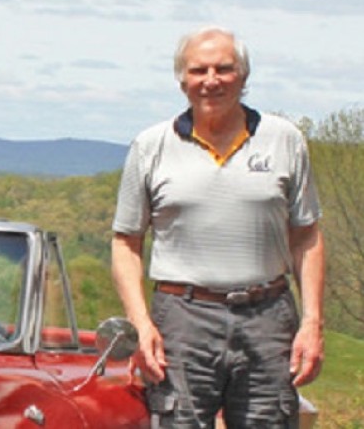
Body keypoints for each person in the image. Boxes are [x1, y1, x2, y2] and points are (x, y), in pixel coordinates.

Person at [111, 26, 325, 428]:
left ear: (243, 77)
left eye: (224, 69)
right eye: (198, 71)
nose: (211, 81)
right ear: (182, 80)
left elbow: (306, 235)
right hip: (182, 321)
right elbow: (126, 242)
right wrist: (141, 324)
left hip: (268, 317)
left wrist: (312, 322)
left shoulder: (285, 140)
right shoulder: (151, 146)